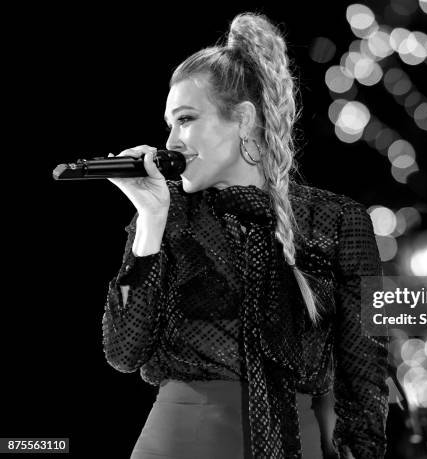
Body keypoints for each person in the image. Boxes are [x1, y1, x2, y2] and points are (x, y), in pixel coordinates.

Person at [102, 12, 389, 459]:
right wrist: (150, 221)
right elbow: (122, 352)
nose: (171, 141)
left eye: (186, 119)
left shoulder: (337, 221)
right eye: (169, 125)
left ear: (242, 119)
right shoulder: (168, 216)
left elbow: (365, 376)